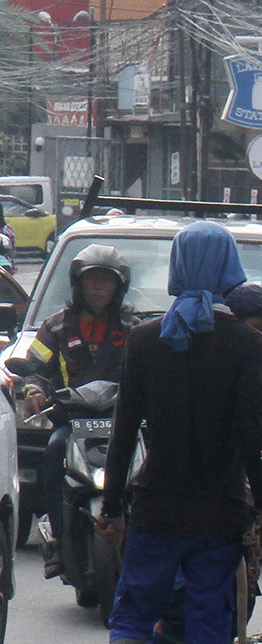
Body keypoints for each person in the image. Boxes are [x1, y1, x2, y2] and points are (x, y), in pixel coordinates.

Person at [97, 221, 262, 644]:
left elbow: (124, 429)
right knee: (209, 635)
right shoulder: (246, 343)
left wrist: (112, 508)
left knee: (132, 618)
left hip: (156, 508)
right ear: (228, 270)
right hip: (219, 514)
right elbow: (254, 433)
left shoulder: (144, 339)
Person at [139, 281, 262, 644]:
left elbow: (257, 439)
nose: (254, 342)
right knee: (181, 602)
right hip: (190, 504)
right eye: (251, 329)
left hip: (232, 506)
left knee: (234, 608)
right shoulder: (185, 360)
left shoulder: (246, 360)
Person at [18, 244, 136, 579]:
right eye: (91, 280)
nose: (98, 287)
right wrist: (35, 391)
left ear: (118, 288)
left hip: (122, 422)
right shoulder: (55, 326)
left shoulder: (132, 327)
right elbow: (35, 368)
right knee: (54, 452)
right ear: (78, 285)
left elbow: (150, 370)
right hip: (72, 421)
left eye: (106, 281)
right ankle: (57, 535)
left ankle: (149, 536)